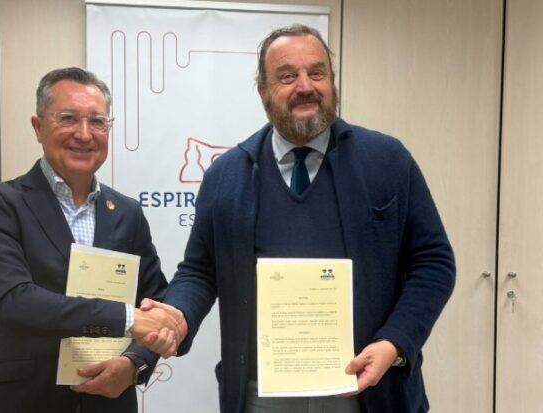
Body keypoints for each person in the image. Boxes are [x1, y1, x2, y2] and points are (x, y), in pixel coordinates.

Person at [143, 24, 456, 413]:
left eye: (317, 72)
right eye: (287, 76)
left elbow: (434, 263)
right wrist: (178, 315)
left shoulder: (388, 161)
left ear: (332, 81)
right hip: (262, 395)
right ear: (263, 90)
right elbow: (200, 270)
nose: (305, 86)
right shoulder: (226, 176)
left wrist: (394, 341)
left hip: (369, 391)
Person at [0, 67, 180, 413]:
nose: (84, 134)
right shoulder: (0, 203)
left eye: (97, 122)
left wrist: (133, 364)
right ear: (38, 127)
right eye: (67, 118)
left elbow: (156, 302)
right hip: (23, 401)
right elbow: (13, 301)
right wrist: (126, 318)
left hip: (110, 404)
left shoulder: (127, 212)